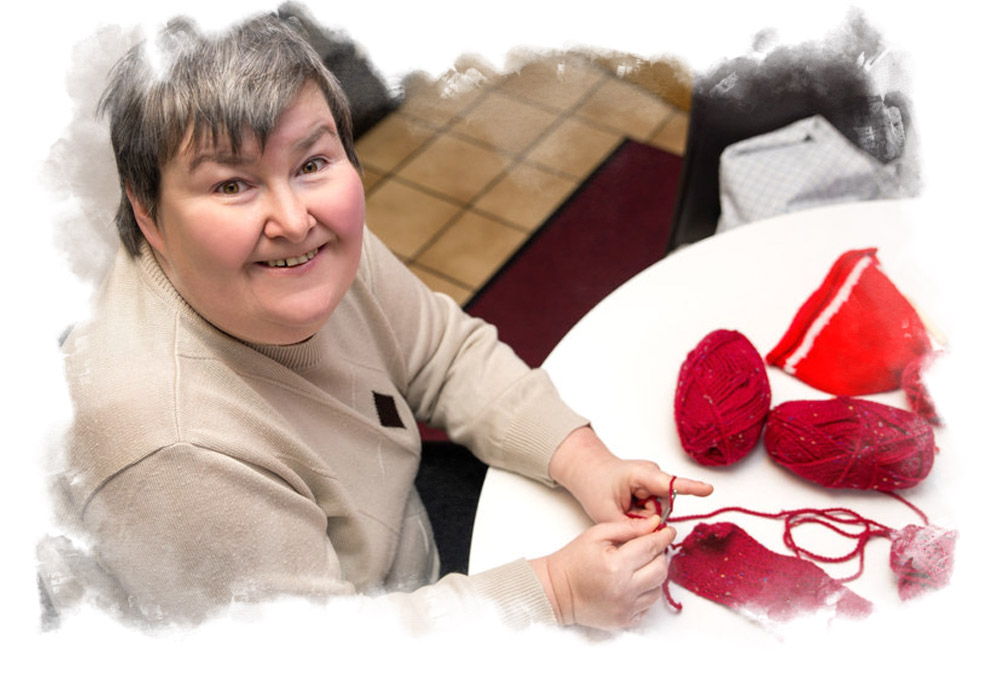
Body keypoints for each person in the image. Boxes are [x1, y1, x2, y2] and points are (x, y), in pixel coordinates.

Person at [50, 12, 712, 632]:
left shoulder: (307, 249)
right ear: (146, 214)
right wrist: (555, 592)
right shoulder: (170, 451)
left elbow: (443, 354)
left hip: (389, 535)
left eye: (312, 163)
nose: (293, 219)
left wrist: (584, 460)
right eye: (232, 185)